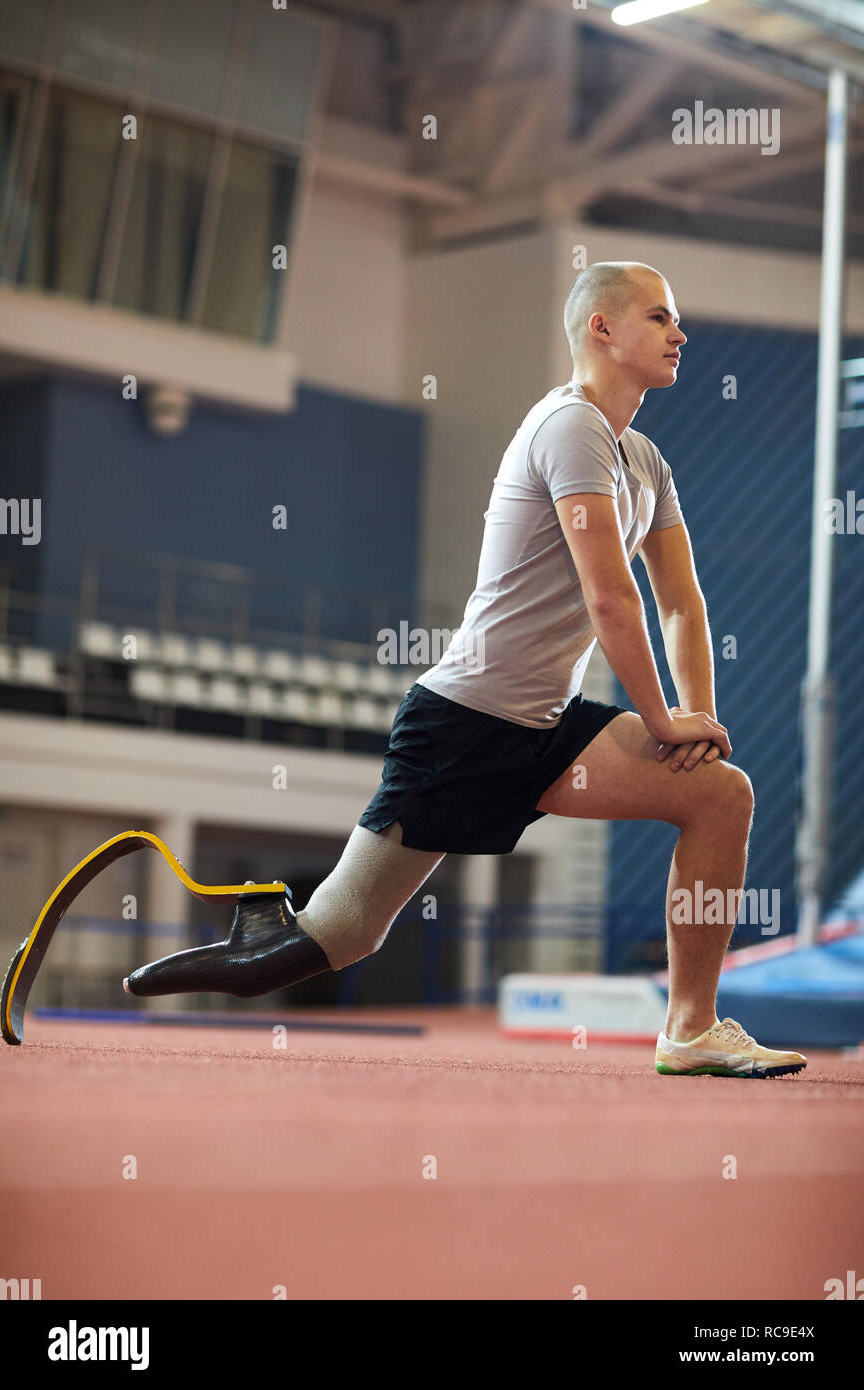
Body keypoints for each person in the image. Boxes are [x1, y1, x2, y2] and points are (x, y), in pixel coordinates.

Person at [126, 260, 806, 1079]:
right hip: (462, 724)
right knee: (341, 937)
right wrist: (663, 720)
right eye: (660, 318)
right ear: (602, 329)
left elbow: (681, 605)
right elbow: (612, 599)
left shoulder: (646, 461)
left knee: (720, 793)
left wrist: (697, 728)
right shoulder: (569, 426)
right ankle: (199, 953)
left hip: (549, 729)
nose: (680, 334)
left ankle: (690, 1030)